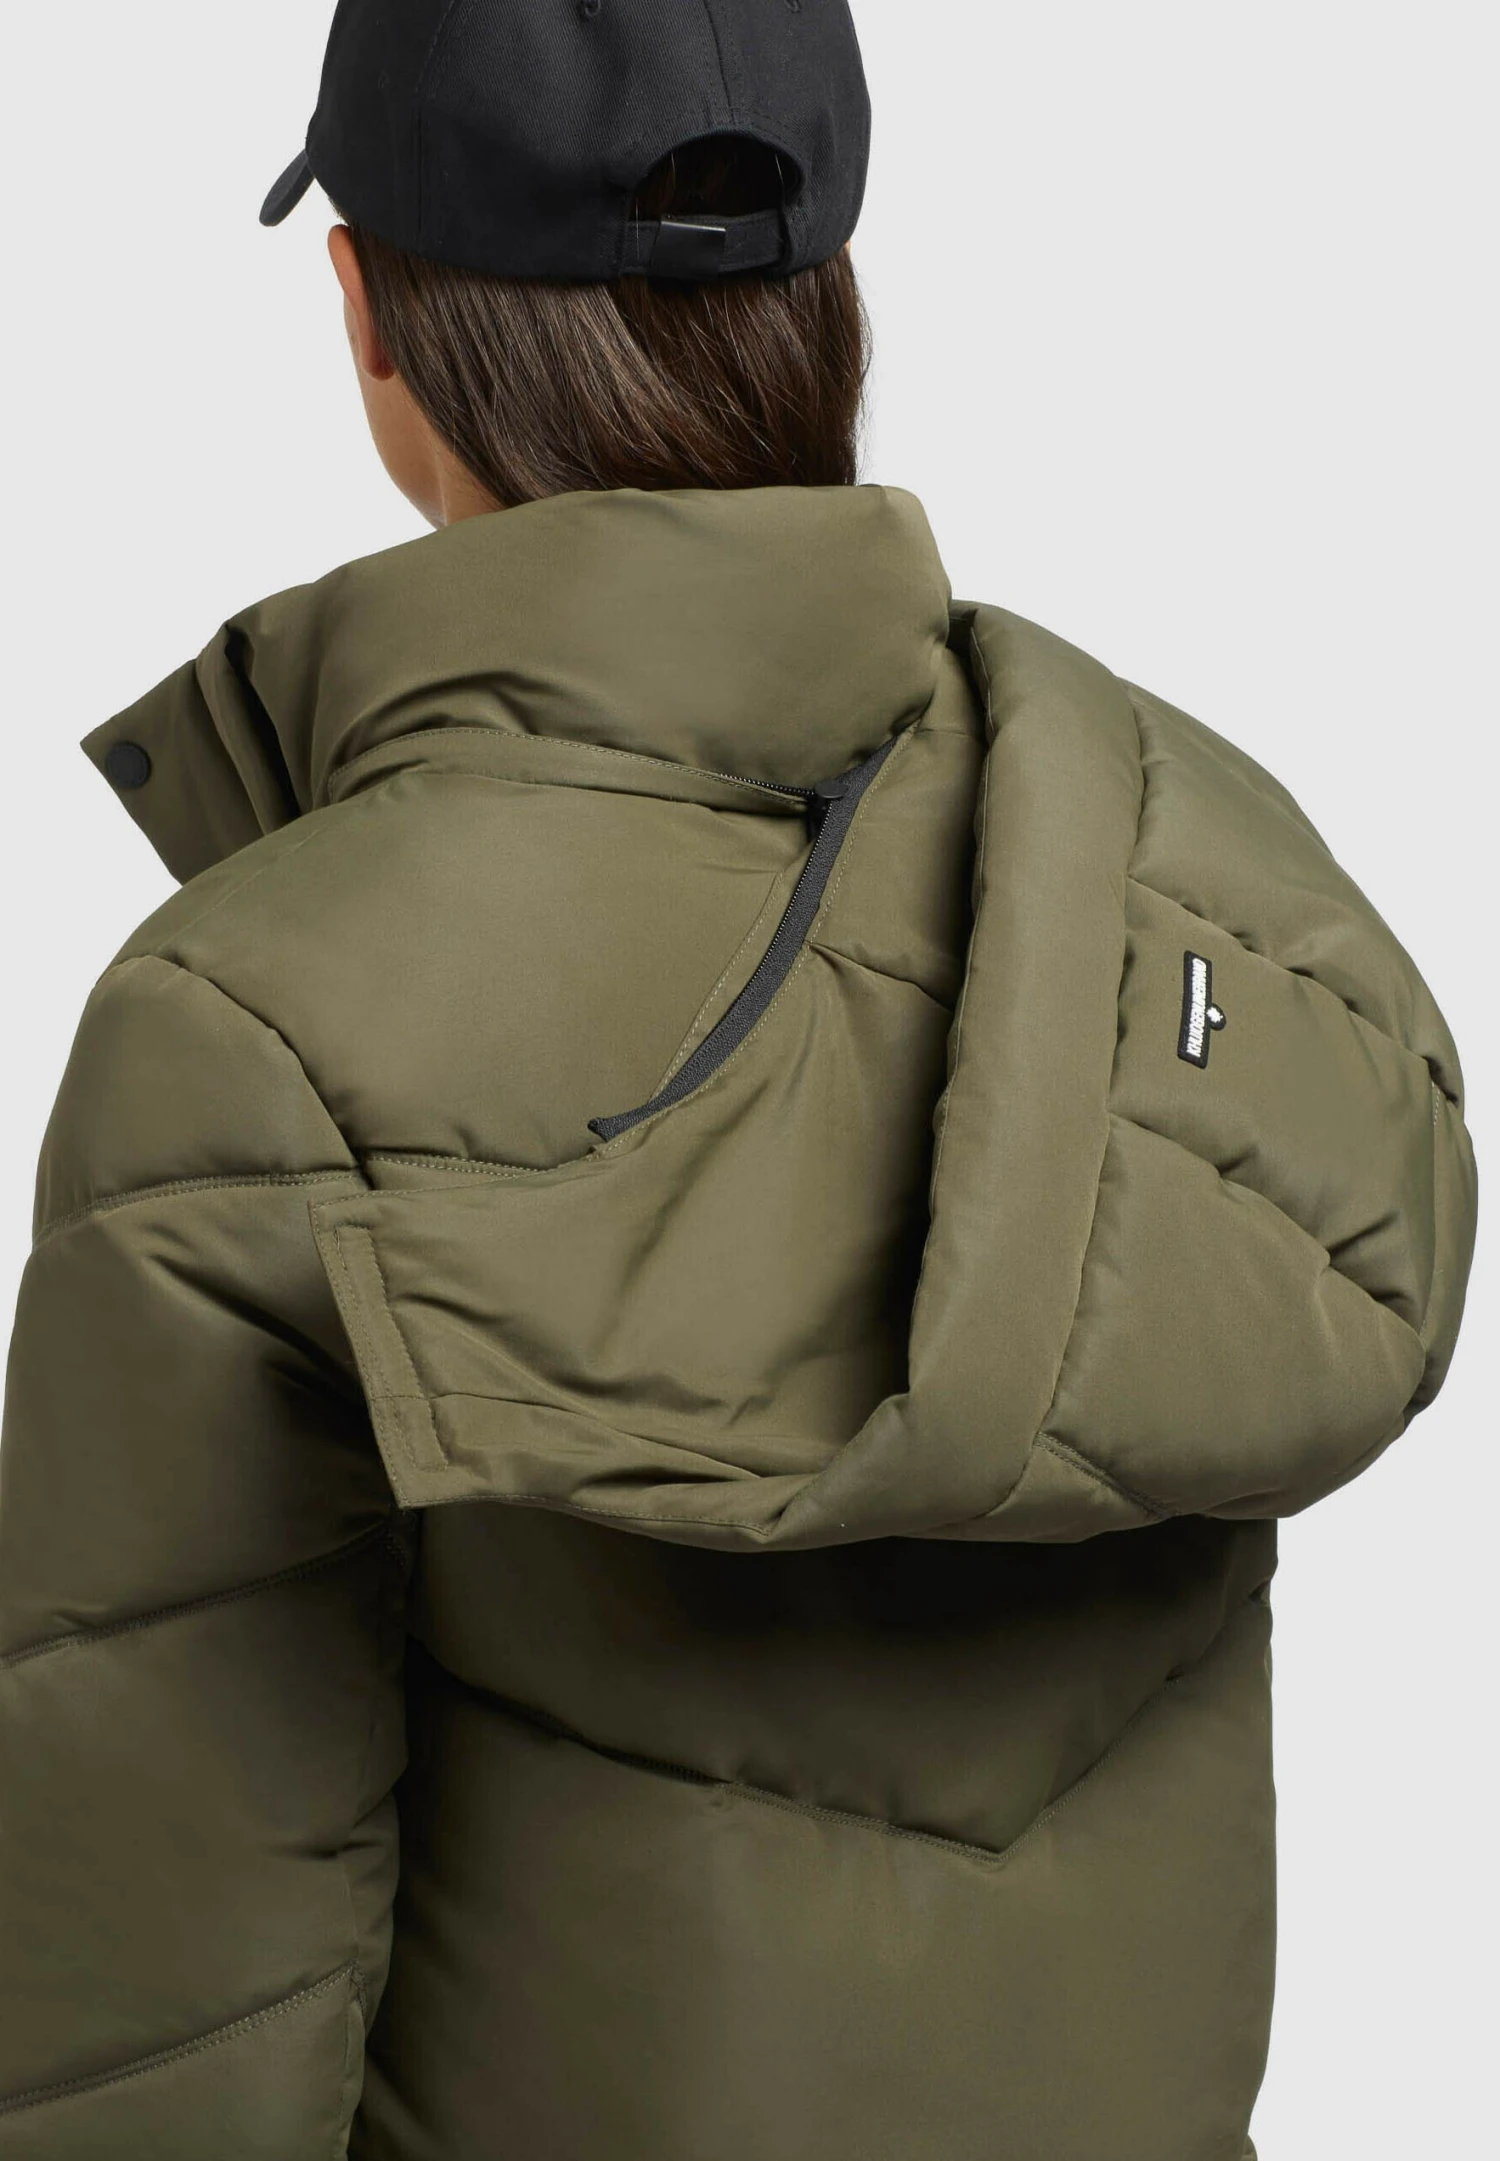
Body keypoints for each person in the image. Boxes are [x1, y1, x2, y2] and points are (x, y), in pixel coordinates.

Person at [0, 2, 1476, 2156]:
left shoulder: (250, 1024)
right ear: (823, 293)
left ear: (370, 315)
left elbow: (164, 2005)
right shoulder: (1200, 900)